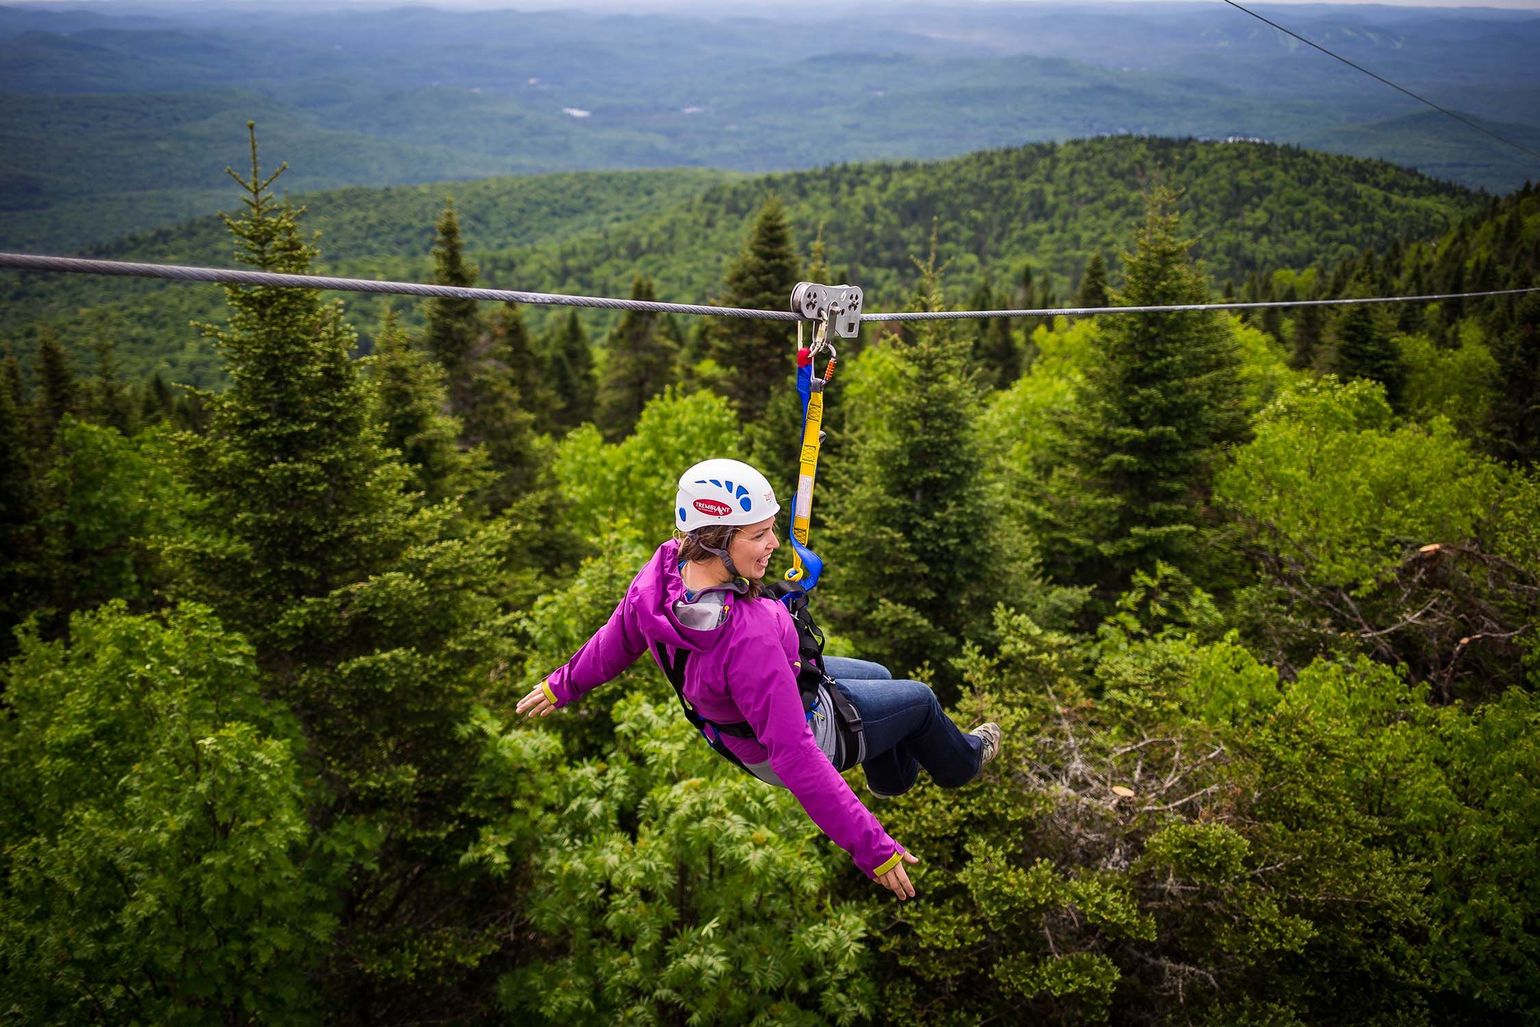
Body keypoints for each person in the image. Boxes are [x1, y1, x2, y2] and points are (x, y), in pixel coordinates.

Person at [516, 457, 1002, 901]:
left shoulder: (665, 570)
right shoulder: (746, 642)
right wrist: (873, 848)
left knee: (879, 676)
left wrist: (563, 684)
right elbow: (796, 756)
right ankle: (962, 763)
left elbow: (617, 638)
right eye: (759, 536)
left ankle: (890, 777)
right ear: (714, 541)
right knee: (918, 700)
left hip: (756, 706)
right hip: (794, 733)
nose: (774, 543)